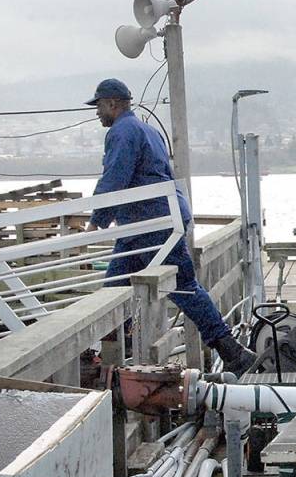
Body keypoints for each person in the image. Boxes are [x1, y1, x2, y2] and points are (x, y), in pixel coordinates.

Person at [85, 78, 255, 373]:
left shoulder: (121, 132)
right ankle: (103, 360)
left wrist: (96, 220)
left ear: (112, 103)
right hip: (146, 223)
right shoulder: (147, 130)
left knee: (180, 286)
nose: (97, 112)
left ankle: (231, 350)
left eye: (99, 106)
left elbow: (115, 177)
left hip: (149, 225)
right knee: (113, 291)